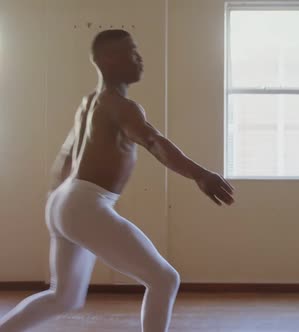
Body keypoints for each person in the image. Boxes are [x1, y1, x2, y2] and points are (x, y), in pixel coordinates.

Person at [0, 29, 234, 332]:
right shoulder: (123, 107)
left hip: (64, 201)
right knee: (164, 279)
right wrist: (200, 174)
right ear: (107, 60)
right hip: (85, 202)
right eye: (131, 52)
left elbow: (66, 157)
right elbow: (153, 141)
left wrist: (61, 205)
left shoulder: (89, 103)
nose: (139, 59)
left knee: (64, 296)